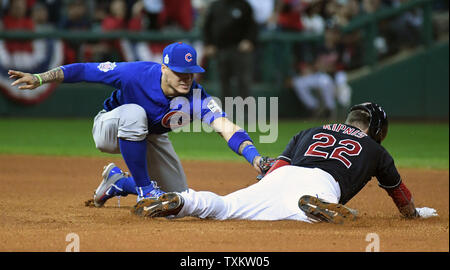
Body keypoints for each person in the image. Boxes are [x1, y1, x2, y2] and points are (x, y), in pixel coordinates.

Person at [8, 42, 266, 206]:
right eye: (178, 72)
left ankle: (119, 182)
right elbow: (85, 70)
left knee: (177, 200)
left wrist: (255, 158)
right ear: (163, 68)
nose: (186, 78)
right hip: (109, 127)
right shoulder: (135, 73)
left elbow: (225, 126)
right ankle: (144, 189)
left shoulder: (195, 96)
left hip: (152, 137)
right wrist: (41, 78)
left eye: (190, 72)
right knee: (134, 113)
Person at [133, 102, 438, 223]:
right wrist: (414, 213)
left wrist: (264, 190)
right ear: (378, 130)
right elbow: (400, 196)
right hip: (321, 185)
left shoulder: (310, 130)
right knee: (315, 215)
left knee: (225, 207)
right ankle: (315, 206)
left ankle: (183, 201)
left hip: (284, 175)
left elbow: (276, 169)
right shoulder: (376, 150)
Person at [202, 0, 258, 100]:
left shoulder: (244, 5)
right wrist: (208, 44)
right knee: (223, 82)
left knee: (243, 82)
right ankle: (225, 114)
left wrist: (249, 41)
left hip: (239, 50)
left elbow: (252, 27)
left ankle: (245, 114)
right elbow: (207, 27)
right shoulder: (216, 4)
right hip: (220, 49)